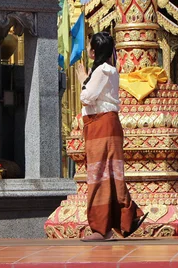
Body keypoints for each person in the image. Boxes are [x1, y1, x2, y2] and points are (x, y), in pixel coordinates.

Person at [74, 32, 148, 241]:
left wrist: (82, 80)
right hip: (104, 124)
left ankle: (102, 228)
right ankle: (126, 218)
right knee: (110, 174)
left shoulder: (103, 70)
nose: (89, 50)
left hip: (102, 125)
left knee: (99, 175)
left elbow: (87, 98)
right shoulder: (110, 70)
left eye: (91, 47)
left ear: (94, 51)